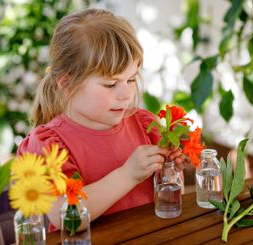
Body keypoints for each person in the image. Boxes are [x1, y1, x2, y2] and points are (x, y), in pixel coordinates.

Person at [18, 8, 190, 229]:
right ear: (67, 84)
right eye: (111, 84)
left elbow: (170, 199)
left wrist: (172, 169)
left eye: (131, 79)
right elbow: (66, 217)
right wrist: (128, 175)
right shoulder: (48, 145)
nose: (126, 93)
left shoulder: (145, 125)